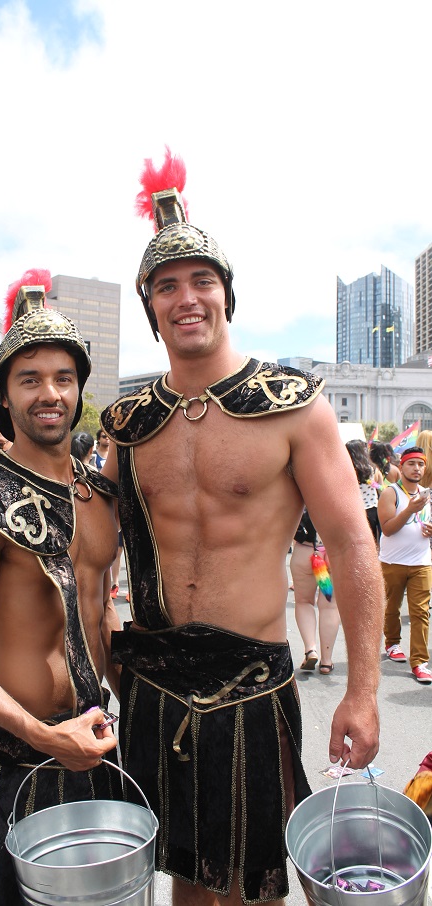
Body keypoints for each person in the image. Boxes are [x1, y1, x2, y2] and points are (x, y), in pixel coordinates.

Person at [100, 150, 384, 906]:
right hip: (155, 686)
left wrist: (362, 691)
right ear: (150, 306)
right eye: (166, 286)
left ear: (228, 294)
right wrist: (94, 641)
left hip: (253, 686)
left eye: (201, 282)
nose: (185, 298)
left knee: (256, 889)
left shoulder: (294, 406)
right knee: (185, 881)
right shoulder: (127, 427)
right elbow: (89, 551)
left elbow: (354, 545)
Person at [0, 270, 122, 906]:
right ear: (5, 396)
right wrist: (40, 734)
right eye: (29, 378)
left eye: (64, 378)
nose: (49, 393)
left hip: (96, 737)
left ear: (79, 394)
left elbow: (99, 617)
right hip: (18, 751)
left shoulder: (100, 499)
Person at [378, 446, 432, 684]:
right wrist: (410, 509)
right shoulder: (391, 493)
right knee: (392, 607)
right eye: (412, 464)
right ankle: (392, 642)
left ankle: (420, 661)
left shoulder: (427, 494)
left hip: (421, 562)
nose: (417, 469)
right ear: (401, 467)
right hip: (393, 562)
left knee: (421, 612)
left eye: (421, 464)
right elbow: (387, 529)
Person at [290, 509, 340, 674]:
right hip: (331, 552)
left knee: (304, 602)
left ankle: (310, 649)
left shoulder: (298, 485)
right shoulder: (339, 486)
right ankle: (326, 661)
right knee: (330, 605)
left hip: (304, 551)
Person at [346, 439, 381, 541]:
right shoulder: (372, 469)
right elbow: (380, 488)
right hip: (372, 509)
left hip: (354, 510)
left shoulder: (348, 470)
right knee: (372, 540)